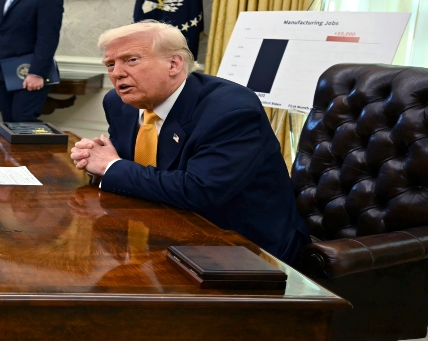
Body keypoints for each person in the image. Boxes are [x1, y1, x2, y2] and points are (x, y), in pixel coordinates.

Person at [70, 21, 309, 264]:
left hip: (241, 245)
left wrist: (110, 167)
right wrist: (95, 160)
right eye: (110, 64)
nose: (116, 73)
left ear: (174, 64)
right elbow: (126, 165)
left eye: (131, 60)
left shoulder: (230, 109)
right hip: (159, 232)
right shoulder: (119, 102)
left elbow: (199, 190)